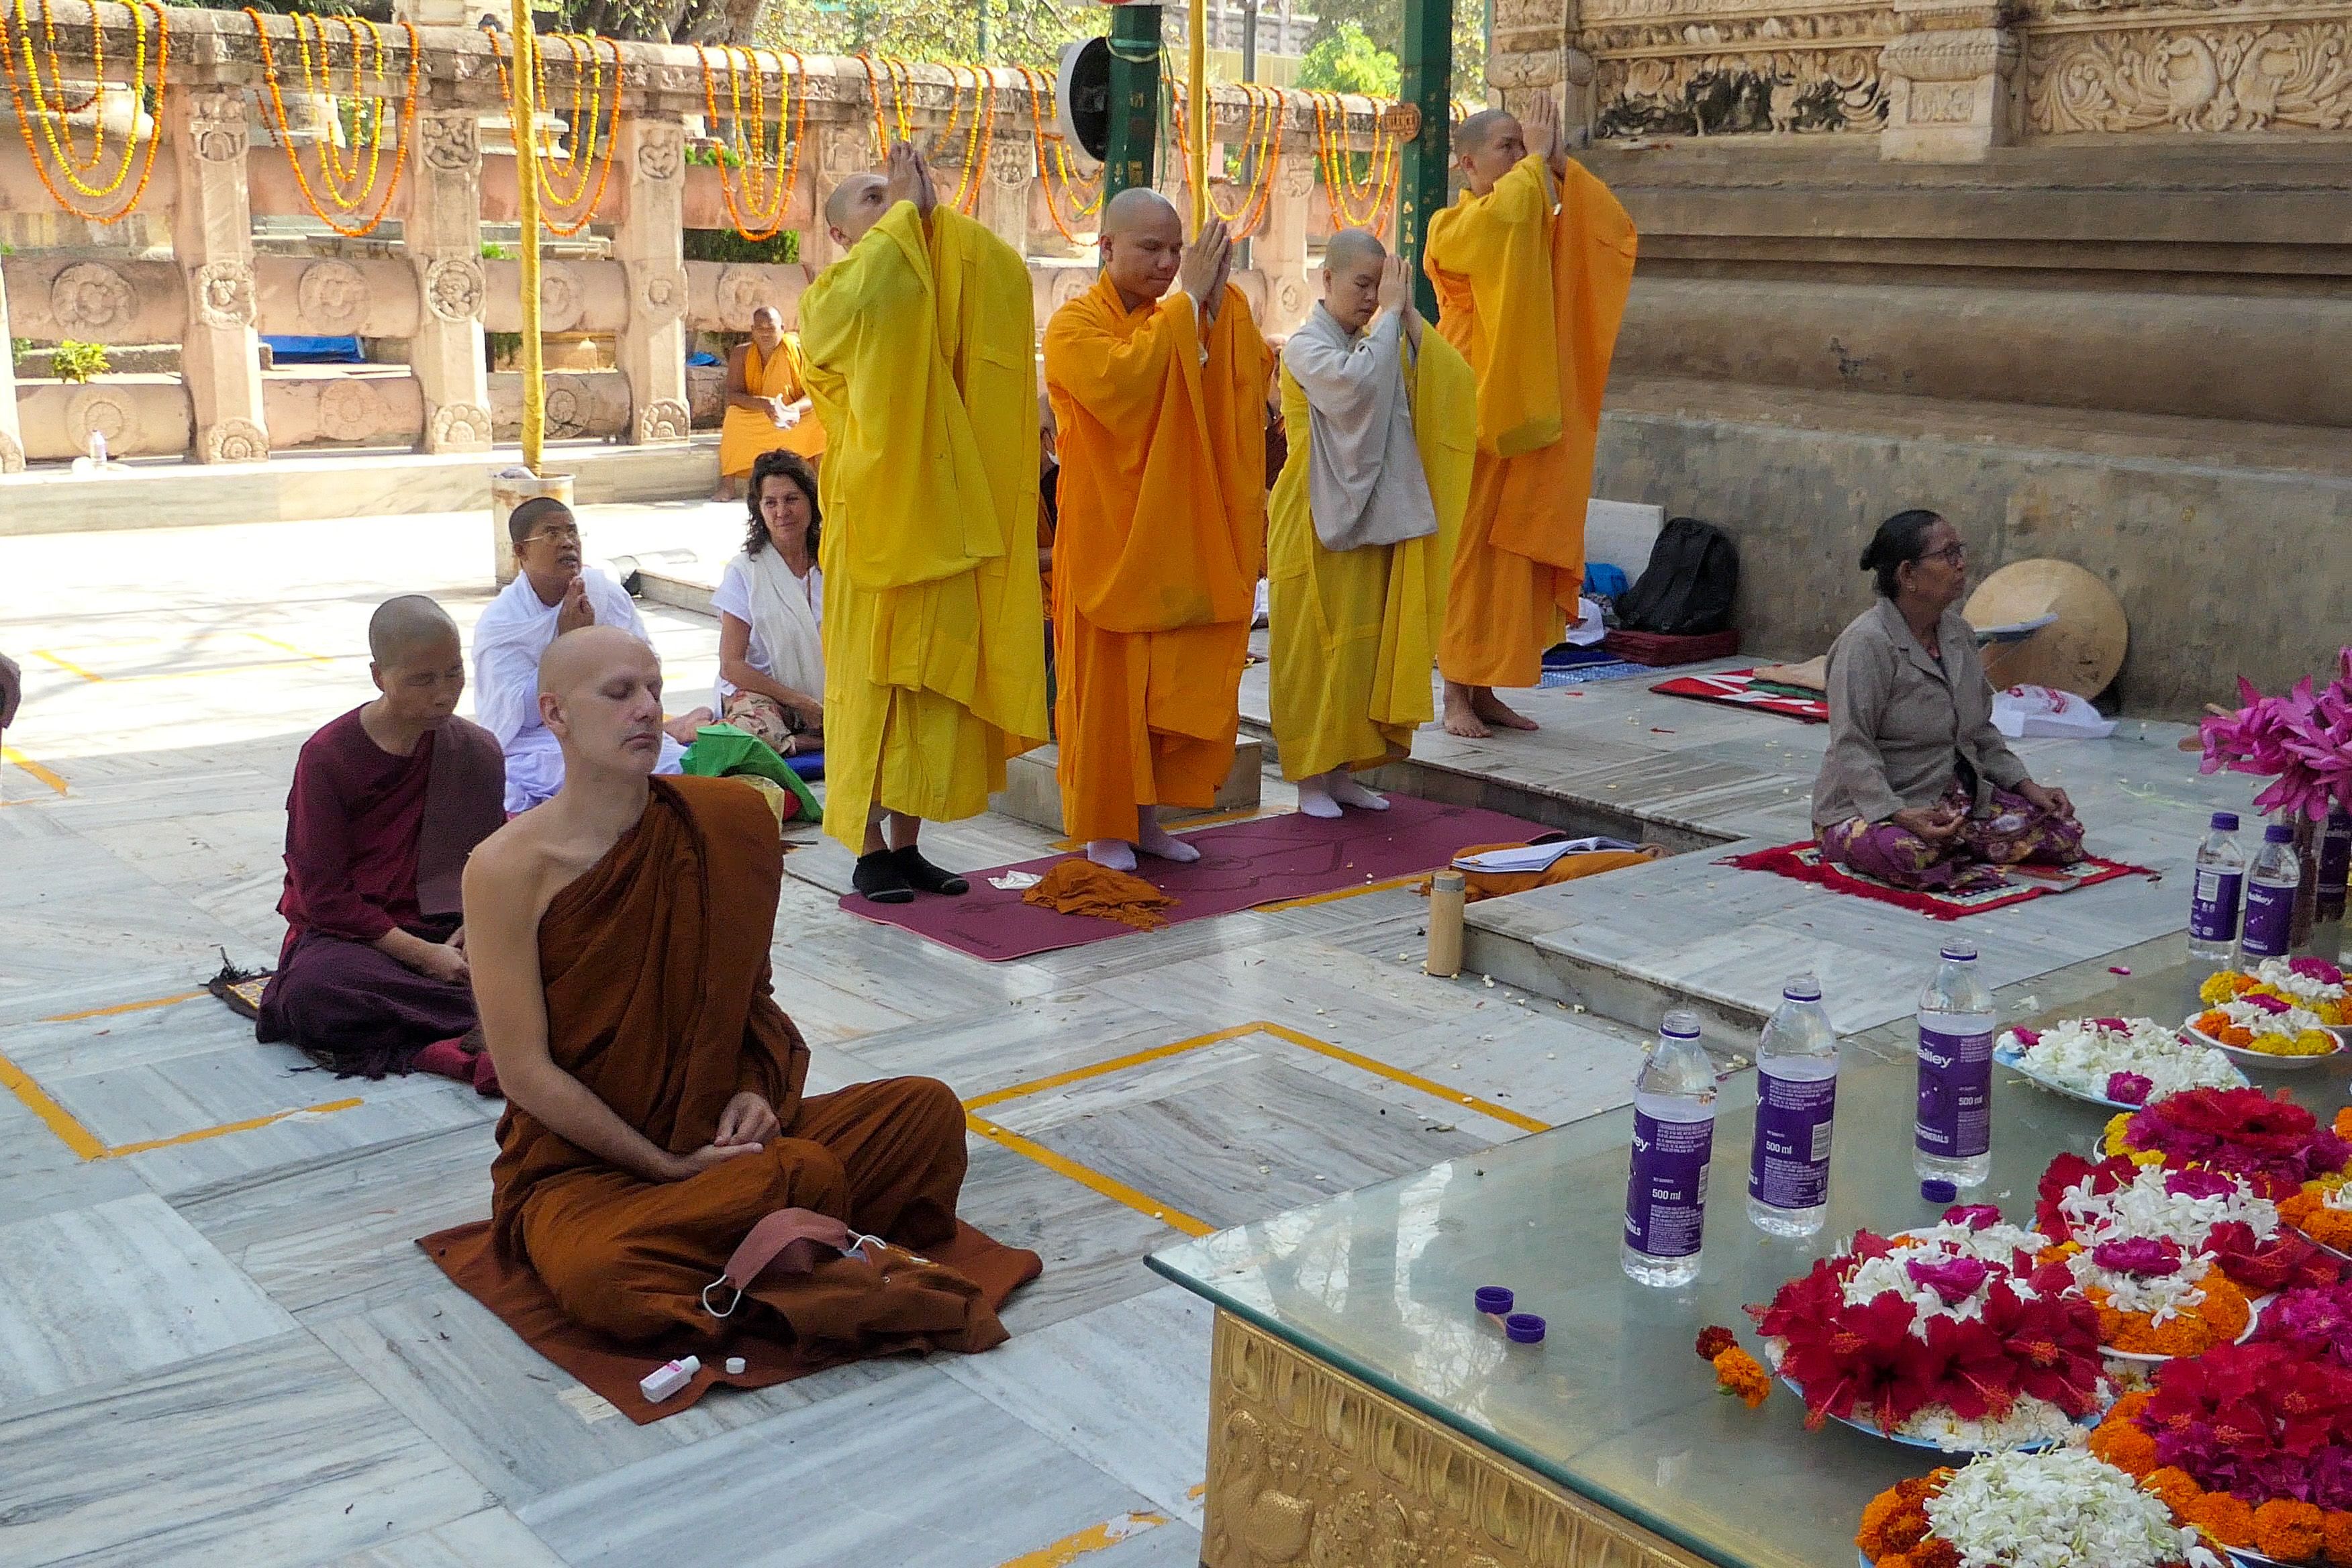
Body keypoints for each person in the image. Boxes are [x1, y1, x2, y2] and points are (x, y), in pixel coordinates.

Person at [463, 625, 1011, 1353]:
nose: (648, 710)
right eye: (619, 693)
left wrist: (752, 1088)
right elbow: (526, 1071)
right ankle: (792, 1240)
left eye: (655, 688)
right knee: (605, 1273)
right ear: (556, 713)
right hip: (585, 1168)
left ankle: (767, 1240)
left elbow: (749, 1001)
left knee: (925, 1113)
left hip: (718, 1141)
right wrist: (658, 1164)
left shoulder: (721, 821)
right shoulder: (506, 868)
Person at [796, 144, 1047, 902]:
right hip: (875, 523)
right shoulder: (834, 293)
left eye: (895, 191)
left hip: (945, 526)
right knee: (874, 689)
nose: (894, 199)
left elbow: (1005, 280)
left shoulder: (941, 276)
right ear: (840, 235)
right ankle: (868, 848)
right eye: (871, 197)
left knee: (931, 692)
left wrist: (927, 219)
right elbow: (877, 302)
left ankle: (909, 845)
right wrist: (906, 213)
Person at [1044, 189, 1266, 871]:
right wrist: (1186, 305)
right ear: (1105, 248)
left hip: (1174, 535)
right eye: (1151, 248)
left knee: (1163, 681)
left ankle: (1147, 819)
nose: (1169, 262)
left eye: (1177, 250)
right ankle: (1103, 826)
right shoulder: (1072, 327)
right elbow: (1127, 388)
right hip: (1109, 536)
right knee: (1108, 688)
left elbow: (1245, 380)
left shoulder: (1192, 310)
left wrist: (1216, 307)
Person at [1425, 91, 1637, 738]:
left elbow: (1607, 230)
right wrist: (1538, 165)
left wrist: (1565, 167)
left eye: (1526, 146)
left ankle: (1486, 687)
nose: (1523, 158)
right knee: (1468, 556)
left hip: (1532, 408)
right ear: (1468, 164)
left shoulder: (1531, 214)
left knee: (1509, 558)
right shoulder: (1451, 225)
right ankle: (1455, 693)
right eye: (1508, 148)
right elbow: (1508, 226)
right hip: (1476, 405)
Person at [256, 596, 505, 1089]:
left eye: (454, 674)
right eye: (422, 679)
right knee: (315, 993)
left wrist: (477, 928)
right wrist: (423, 956)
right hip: (359, 939)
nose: (444, 694)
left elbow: (493, 865)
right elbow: (324, 895)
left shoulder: (475, 751)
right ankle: (499, 1015)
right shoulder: (329, 757)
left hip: (452, 926)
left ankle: (483, 1010)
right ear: (379, 677)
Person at [1269, 229, 1476, 818]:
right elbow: (1354, 388)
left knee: (1359, 644)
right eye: (1362, 285)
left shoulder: (1379, 336)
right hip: (1311, 512)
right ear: (1326, 280)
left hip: (1369, 512)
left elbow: (1448, 383)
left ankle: (1345, 769)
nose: (1370, 299)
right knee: (1311, 648)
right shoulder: (1305, 346)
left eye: (1379, 286)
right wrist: (1390, 319)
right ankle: (1310, 777)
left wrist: (1407, 315)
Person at [1813, 509, 2085, 892]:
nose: (1962, 564)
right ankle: (1944, 843)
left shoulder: (1957, 633)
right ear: (1908, 575)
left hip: (1952, 799)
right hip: (1875, 807)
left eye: (1960, 551)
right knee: (1913, 854)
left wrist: (2027, 787)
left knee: (2063, 834)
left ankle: (1958, 840)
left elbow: (1981, 732)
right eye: (1948, 554)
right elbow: (1851, 745)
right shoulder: (1866, 644)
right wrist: (1899, 813)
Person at [473, 497, 709, 814]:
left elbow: (648, 669)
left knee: (675, 767)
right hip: (541, 742)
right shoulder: (502, 621)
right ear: (521, 552)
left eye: (572, 532)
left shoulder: (602, 591)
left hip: (616, 723)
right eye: (552, 534)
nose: (567, 542)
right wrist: (568, 643)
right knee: (536, 786)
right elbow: (518, 716)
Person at [712, 449, 826, 757]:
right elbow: (731, 665)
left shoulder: (833, 564)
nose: (781, 512)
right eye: (770, 503)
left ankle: (820, 736)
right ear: (758, 510)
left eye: (792, 499)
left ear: (811, 502)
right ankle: (810, 742)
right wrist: (799, 702)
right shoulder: (745, 571)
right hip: (769, 696)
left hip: (833, 695)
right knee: (746, 731)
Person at [714, 306, 824, 502]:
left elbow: (814, 393)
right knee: (734, 417)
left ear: (782, 328)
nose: (765, 333)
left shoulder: (800, 350)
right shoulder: (742, 354)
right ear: (752, 330)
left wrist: (791, 410)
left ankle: (820, 482)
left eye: (771, 328)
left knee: (819, 418)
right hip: (758, 417)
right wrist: (764, 405)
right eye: (760, 328)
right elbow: (733, 394)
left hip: (793, 418)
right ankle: (728, 484)